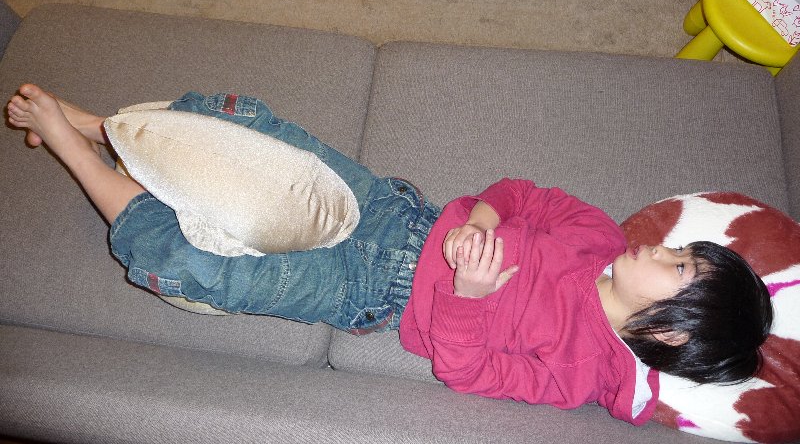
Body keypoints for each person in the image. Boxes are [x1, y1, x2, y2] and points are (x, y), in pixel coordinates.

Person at [6, 84, 773, 426]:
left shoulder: (581, 373)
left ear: (670, 326)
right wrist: (481, 217)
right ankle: (104, 126)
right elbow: (520, 193)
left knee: (205, 270)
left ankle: (73, 148)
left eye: (680, 265)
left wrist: (468, 298)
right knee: (256, 141)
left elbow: (467, 372)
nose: (664, 245)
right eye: (684, 249)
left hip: (365, 288)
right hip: (396, 211)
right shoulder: (599, 236)